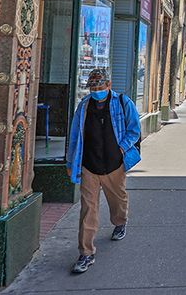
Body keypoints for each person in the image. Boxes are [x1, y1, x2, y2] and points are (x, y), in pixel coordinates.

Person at [66, 68, 141, 273]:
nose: (96, 90)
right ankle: (86, 253)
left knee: (118, 199)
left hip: (114, 165)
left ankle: (120, 222)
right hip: (89, 165)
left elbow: (134, 130)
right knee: (88, 209)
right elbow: (75, 137)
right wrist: (71, 163)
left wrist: (120, 149)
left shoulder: (122, 102)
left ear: (109, 85)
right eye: (93, 87)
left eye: (100, 86)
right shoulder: (83, 107)